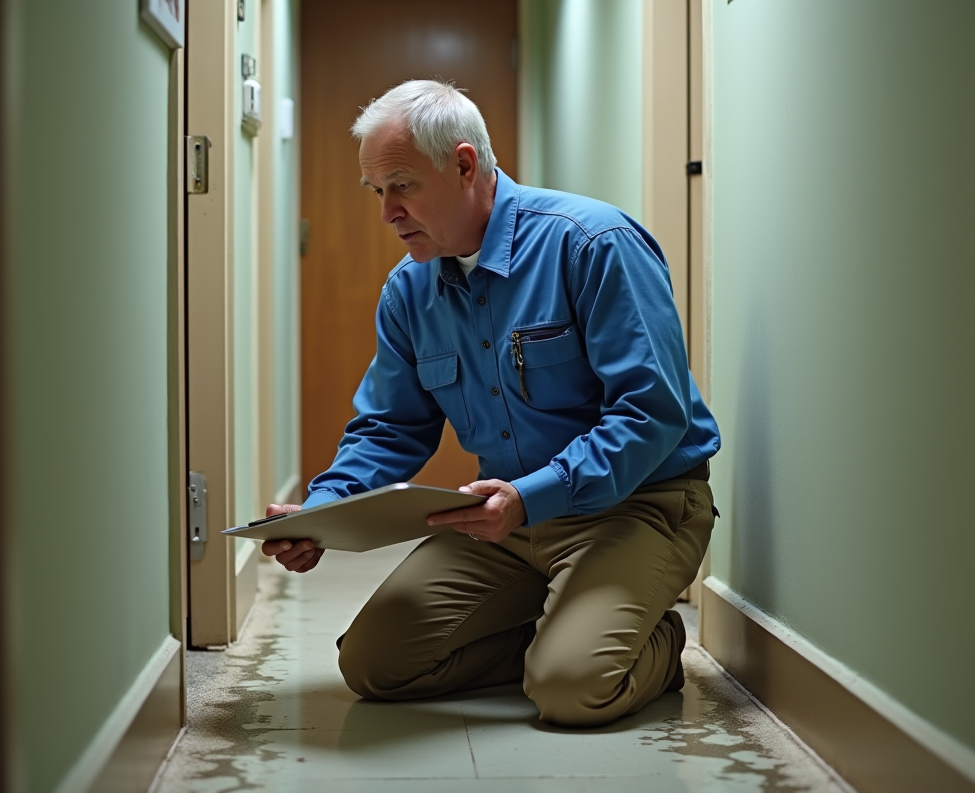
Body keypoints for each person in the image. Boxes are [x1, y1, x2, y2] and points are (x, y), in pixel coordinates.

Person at [261, 79, 720, 728]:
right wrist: (325, 509)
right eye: (377, 192)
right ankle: (560, 635)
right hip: (499, 519)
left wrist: (534, 496)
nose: (387, 211)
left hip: (636, 505)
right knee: (374, 666)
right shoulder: (410, 291)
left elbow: (653, 413)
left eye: (402, 185)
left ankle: (647, 646)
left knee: (571, 693)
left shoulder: (591, 243)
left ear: (465, 164)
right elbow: (391, 425)